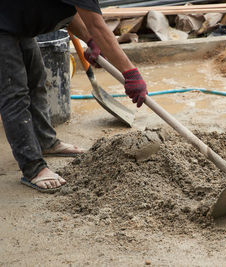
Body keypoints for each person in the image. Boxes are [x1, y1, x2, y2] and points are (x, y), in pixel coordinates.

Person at [0, 0, 148, 192]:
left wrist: (91, 39)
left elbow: (70, 12)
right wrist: (130, 72)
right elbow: (96, 24)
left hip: (16, 22)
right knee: (14, 95)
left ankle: (46, 142)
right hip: (4, 25)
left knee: (36, 82)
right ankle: (33, 168)